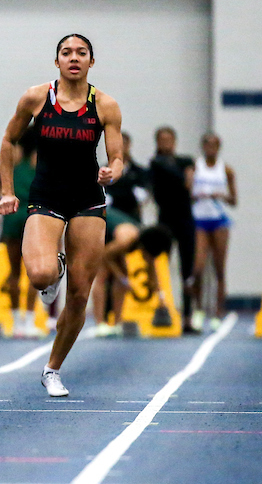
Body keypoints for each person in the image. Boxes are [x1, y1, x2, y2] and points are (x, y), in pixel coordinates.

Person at [0, 34, 123, 398]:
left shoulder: (106, 105)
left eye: (81, 53)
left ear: (91, 62)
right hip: (46, 196)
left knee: (79, 295)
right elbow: (9, 140)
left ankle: (53, 369)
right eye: (66, 53)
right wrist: (8, 191)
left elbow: (116, 156)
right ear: (57, 62)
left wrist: (113, 170)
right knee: (40, 275)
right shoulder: (37, 98)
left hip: (87, 199)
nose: (74, 58)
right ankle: (56, 266)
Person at [91, 210, 174, 336]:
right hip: (98, 228)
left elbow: (152, 269)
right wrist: (121, 277)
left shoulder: (144, 241)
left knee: (123, 278)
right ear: (146, 248)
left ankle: (117, 324)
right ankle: (100, 323)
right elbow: (105, 255)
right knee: (102, 276)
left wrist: (160, 296)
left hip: (112, 238)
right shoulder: (127, 240)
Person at [150, 126, 198, 333]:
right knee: (161, 266)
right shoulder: (155, 164)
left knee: (187, 270)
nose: (166, 143)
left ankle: (187, 316)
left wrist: (184, 177)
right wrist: (183, 177)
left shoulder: (184, 160)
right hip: (165, 221)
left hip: (185, 219)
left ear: (175, 141)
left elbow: (189, 184)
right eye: (162, 139)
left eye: (169, 139)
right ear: (157, 142)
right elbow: (182, 181)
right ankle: (161, 310)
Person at [0, 128, 39, 337]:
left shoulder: (10, 157)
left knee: (14, 271)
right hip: (32, 216)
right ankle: (28, 321)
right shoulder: (39, 159)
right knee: (34, 271)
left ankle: (15, 321)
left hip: (11, 214)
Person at [188, 132, 237, 331]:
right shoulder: (195, 168)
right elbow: (187, 195)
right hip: (199, 221)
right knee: (198, 268)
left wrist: (221, 195)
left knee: (219, 268)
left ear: (219, 147)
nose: (210, 148)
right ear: (202, 147)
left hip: (219, 221)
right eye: (207, 145)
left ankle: (218, 313)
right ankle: (199, 309)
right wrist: (196, 193)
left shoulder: (226, 170)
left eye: (214, 145)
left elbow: (234, 201)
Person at [106, 132, 150, 222]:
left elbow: (144, 195)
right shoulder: (104, 172)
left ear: (128, 145)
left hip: (132, 214)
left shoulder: (139, 172)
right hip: (111, 216)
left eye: (123, 144)